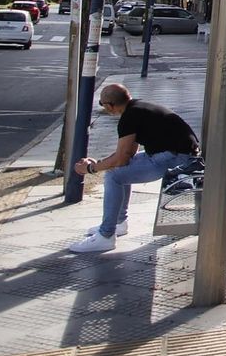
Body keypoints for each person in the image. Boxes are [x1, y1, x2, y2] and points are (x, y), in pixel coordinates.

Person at [68, 83, 199, 253]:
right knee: (119, 172)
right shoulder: (139, 107)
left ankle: (106, 236)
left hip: (175, 158)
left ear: (110, 106)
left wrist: (91, 168)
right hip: (180, 154)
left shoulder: (128, 118)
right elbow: (128, 152)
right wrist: (102, 163)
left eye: (101, 104)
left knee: (114, 176)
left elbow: (121, 158)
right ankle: (119, 223)